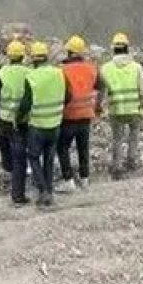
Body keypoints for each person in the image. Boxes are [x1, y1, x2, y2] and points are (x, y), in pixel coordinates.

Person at [16, 41, 64, 207]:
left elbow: (25, 104)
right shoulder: (59, 73)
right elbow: (69, 95)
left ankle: (43, 191)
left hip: (38, 125)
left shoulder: (31, 77)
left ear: (33, 59)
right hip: (56, 123)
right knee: (49, 159)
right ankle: (49, 190)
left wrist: (18, 119)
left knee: (34, 157)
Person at [56, 35, 103, 192]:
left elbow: (61, 93)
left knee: (62, 147)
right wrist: (97, 106)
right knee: (83, 148)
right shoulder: (91, 68)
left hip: (68, 116)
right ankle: (85, 178)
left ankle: (68, 180)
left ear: (69, 52)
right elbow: (100, 87)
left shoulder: (62, 70)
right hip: (86, 115)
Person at [0, 39, 31, 206]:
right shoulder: (29, 73)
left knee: (7, 155)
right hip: (20, 122)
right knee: (20, 158)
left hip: (3, 121)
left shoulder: (2, 73)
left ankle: (10, 181)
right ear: (22, 56)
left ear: (9, 56)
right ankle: (18, 195)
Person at [101, 32, 143, 179]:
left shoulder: (105, 68)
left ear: (113, 49)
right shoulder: (136, 67)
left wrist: (101, 108)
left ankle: (117, 166)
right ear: (127, 48)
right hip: (134, 109)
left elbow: (101, 91)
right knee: (133, 136)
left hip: (116, 109)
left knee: (117, 138)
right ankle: (132, 162)